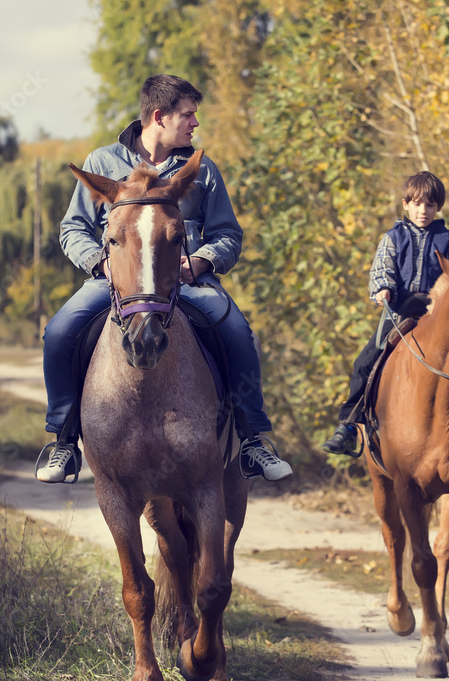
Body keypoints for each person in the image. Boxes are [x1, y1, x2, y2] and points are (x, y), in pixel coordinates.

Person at [35, 74, 292, 484]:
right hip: (116, 284)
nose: (195, 124)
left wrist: (203, 261)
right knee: (60, 332)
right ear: (160, 116)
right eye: (188, 115)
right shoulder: (102, 164)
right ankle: (63, 439)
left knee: (239, 333)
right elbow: (73, 230)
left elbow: (228, 234)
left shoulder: (202, 171)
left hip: (185, 282)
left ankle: (251, 439)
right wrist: (100, 264)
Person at [322, 171, 449, 456]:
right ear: (405, 204)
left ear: (438, 207)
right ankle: (349, 426)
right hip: (400, 310)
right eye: (416, 204)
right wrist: (382, 288)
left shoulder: (448, 239)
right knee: (365, 361)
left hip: (437, 314)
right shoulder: (393, 238)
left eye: (429, 205)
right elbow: (382, 269)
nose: (423, 211)